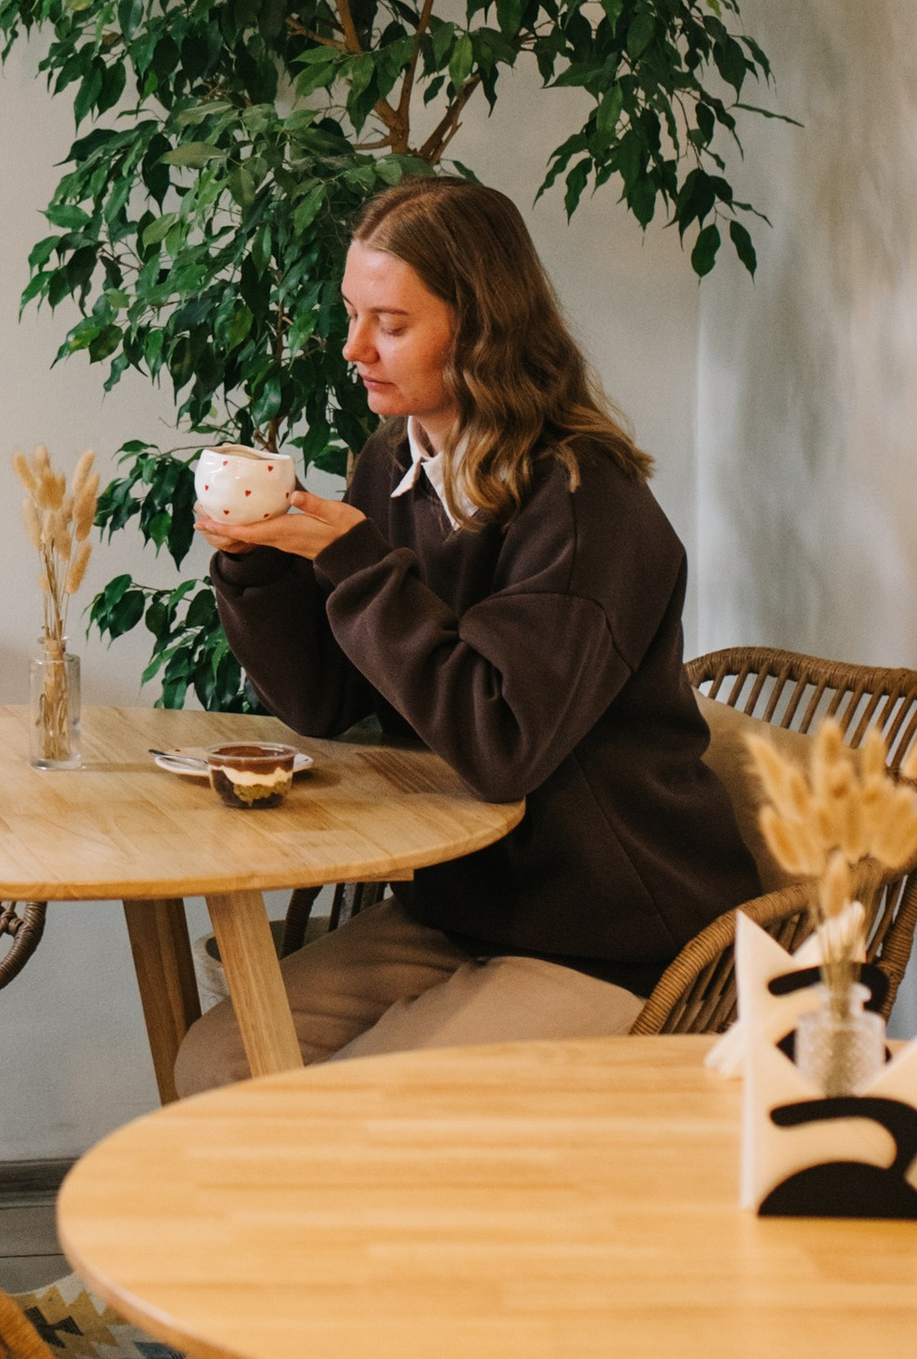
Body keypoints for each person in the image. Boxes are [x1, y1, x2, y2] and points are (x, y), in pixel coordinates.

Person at [178, 175, 753, 1091]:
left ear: (481, 326)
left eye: (390, 323)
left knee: (349, 1109)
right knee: (216, 1059)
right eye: (352, 314)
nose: (353, 347)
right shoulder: (393, 464)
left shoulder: (583, 502)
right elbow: (327, 700)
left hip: (612, 935)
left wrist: (358, 564)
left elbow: (502, 743)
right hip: (467, 911)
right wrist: (260, 566)